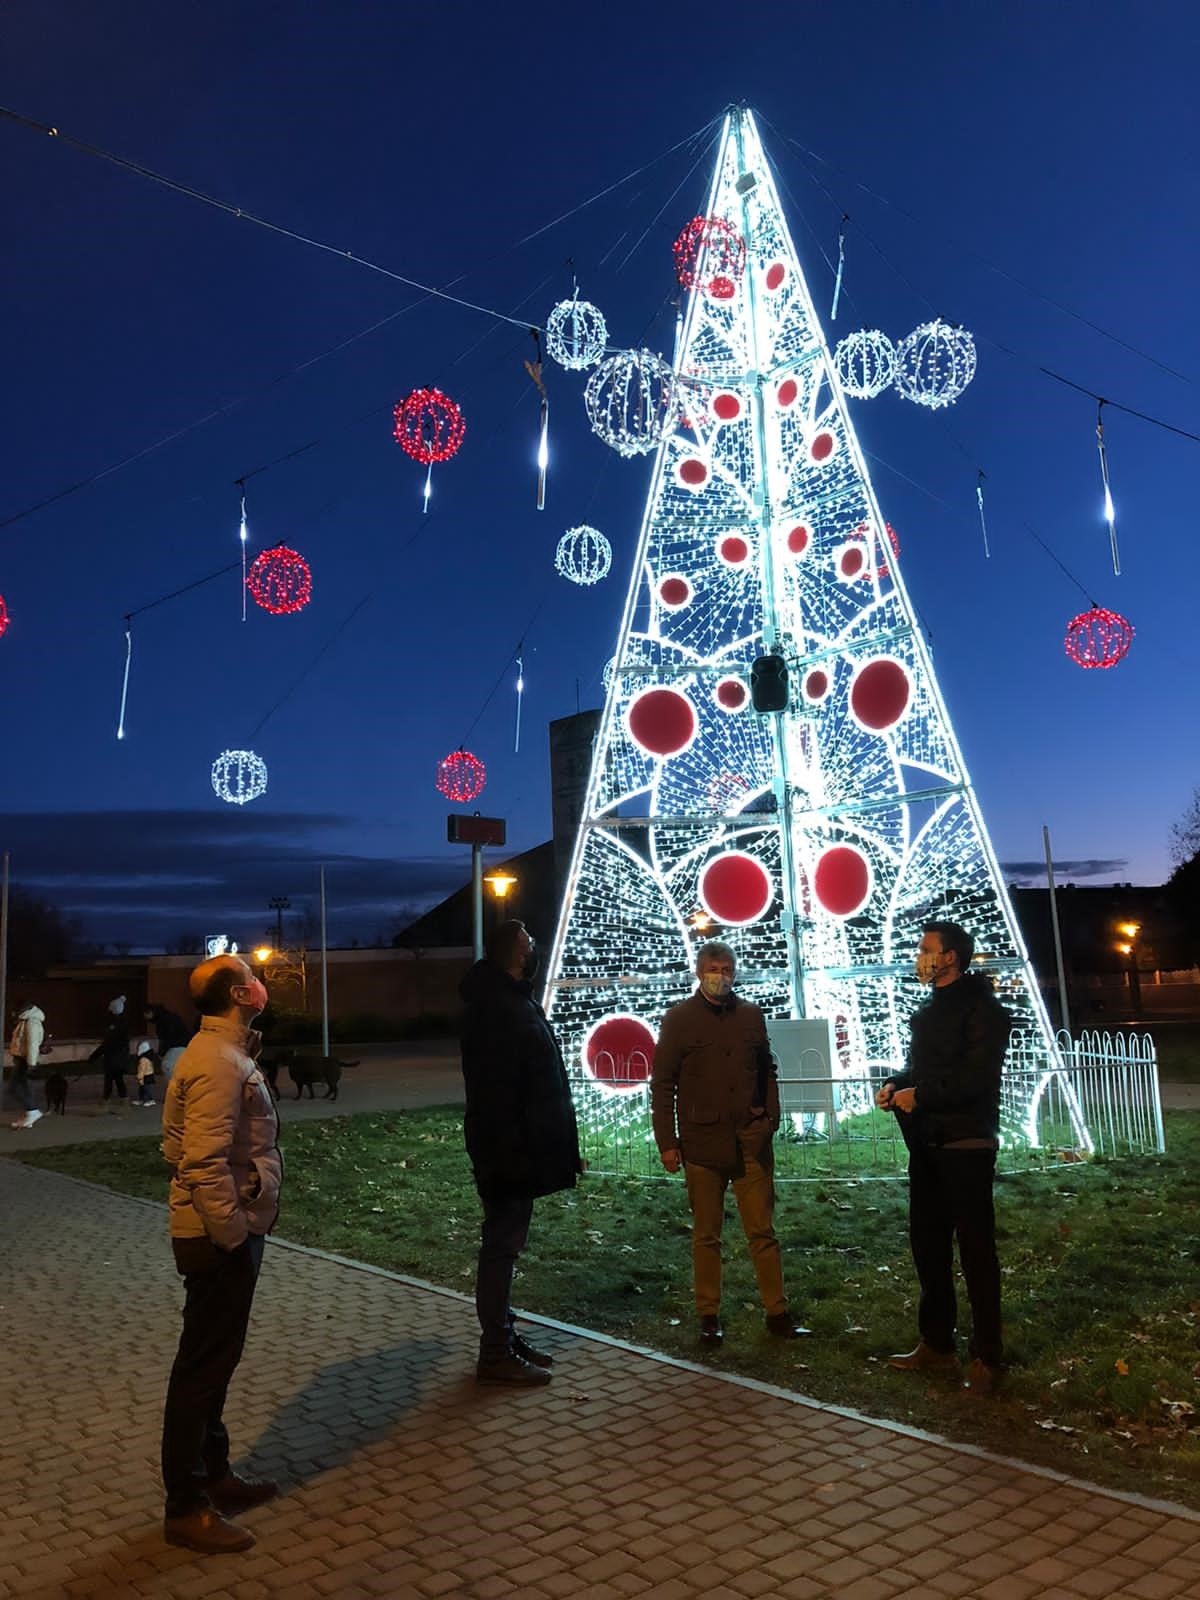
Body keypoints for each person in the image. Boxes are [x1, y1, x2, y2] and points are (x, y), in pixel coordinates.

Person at [159, 954, 282, 1554]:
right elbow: (201, 1161)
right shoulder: (218, 1063)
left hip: (221, 1229)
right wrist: (233, 1233)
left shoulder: (216, 1055)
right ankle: (185, 1506)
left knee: (215, 1363)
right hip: (218, 1238)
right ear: (239, 993)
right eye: (253, 978)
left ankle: (215, 1475)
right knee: (201, 1370)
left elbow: (175, 1142)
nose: (262, 985)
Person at [876, 920, 1013, 1396]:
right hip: (928, 1145)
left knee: (976, 1252)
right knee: (928, 1248)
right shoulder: (930, 1010)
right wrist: (898, 1083)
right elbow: (925, 1070)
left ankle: (986, 1356)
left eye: (926, 949)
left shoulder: (983, 1011)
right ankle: (936, 1343)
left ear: (950, 957)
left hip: (966, 1145)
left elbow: (975, 1079)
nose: (920, 957)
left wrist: (923, 1096)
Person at [651, 941, 806, 1345]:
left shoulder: (751, 1015)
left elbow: (766, 1069)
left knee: (763, 1231)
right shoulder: (679, 1019)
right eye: (714, 968)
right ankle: (708, 1315)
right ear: (699, 972)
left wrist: (769, 1117)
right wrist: (667, 1142)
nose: (722, 975)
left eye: (728, 968)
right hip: (702, 1145)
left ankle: (777, 1312)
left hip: (751, 1142)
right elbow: (663, 1083)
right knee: (707, 1234)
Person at [459, 919, 581, 1386]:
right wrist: (514, 1151)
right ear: (512, 950)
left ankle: (504, 1335)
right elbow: (499, 1091)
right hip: (506, 1150)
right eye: (527, 937)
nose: (534, 943)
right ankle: (494, 1351)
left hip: (516, 1147)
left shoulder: (510, 998)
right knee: (501, 1247)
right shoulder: (496, 1008)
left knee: (507, 1245)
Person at [7, 1003, 46, 1130]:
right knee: (25, 1088)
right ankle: (30, 1117)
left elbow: (32, 1044)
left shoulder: (31, 1022)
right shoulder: (25, 1020)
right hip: (22, 1059)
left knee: (13, 1088)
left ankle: (33, 1111)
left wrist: (31, 1064)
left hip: (24, 1060)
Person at [90, 995, 131, 1109]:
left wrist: (95, 1055)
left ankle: (107, 1101)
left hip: (113, 1058)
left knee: (110, 1079)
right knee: (117, 1079)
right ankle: (122, 1101)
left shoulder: (115, 1024)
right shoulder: (122, 1023)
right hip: (118, 1057)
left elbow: (107, 1043)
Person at [145, 1002, 192, 1080]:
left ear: (151, 1012)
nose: (145, 1017)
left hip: (178, 1046)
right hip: (182, 1045)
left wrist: (162, 1052)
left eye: (146, 1014)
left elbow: (167, 1038)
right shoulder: (166, 1018)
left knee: (167, 1067)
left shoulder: (164, 1020)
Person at [134, 1041, 159, 1107]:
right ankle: (142, 1100)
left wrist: (139, 1076)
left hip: (146, 1076)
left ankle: (150, 1100)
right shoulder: (149, 1058)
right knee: (143, 1089)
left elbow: (142, 1069)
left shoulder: (143, 1059)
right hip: (149, 1075)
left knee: (146, 1089)